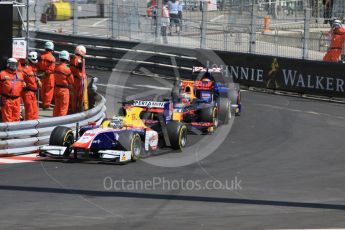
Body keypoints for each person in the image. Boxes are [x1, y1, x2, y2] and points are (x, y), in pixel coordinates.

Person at [0, 58, 25, 122]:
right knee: (7, 119)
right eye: (12, 64)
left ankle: (15, 131)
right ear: (8, 64)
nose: (14, 65)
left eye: (15, 64)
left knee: (16, 118)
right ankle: (7, 131)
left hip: (17, 100)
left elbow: (22, 86)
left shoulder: (20, 75)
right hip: (7, 100)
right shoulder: (2, 74)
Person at [53, 50, 74, 117]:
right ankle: (61, 123)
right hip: (64, 91)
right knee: (63, 108)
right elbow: (72, 81)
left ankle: (53, 121)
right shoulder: (67, 69)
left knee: (56, 107)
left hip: (56, 89)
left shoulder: (56, 67)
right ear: (67, 58)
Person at [22, 51, 41, 120]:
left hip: (32, 93)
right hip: (28, 93)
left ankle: (35, 127)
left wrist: (37, 79)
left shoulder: (32, 69)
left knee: (35, 112)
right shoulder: (25, 69)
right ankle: (29, 129)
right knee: (30, 112)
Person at [70, 45, 88, 113]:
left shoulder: (72, 59)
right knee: (81, 96)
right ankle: (80, 110)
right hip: (79, 80)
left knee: (73, 97)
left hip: (73, 79)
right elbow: (81, 70)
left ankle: (73, 110)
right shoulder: (79, 60)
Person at [38, 41, 56, 110]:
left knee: (43, 90)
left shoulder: (41, 56)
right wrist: (46, 73)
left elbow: (38, 66)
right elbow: (51, 69)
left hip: (42, 76)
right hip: (49, 77)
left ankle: (43, 103)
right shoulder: (52, 58)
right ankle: (46, 105)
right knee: (49, 91)